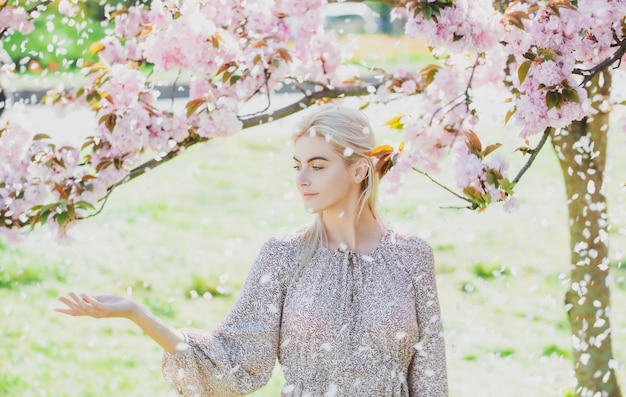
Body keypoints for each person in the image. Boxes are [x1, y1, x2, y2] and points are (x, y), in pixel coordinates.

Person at [57, 105, 448, 397]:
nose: (302, 179)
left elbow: (430, 377)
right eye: (297, 165)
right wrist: (135, 312)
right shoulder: (283, 255)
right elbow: (234, 363)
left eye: (317, 165)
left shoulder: (412, 257)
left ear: (359, 170)